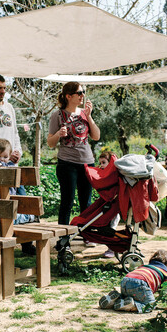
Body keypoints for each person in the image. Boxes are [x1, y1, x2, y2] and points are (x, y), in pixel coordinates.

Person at [47, 82, 100, 228]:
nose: (83, 95)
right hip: (67, 163)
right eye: (79, 93)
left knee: (86, 203)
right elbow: (50, 143)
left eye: (83, 92)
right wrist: (58, 134)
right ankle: (63, 240)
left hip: (87, 163)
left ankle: (86, 235)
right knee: (67, 201)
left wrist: (89, 117)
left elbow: (96, 136)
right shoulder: (57, 115)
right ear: (69, 96)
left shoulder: (84, 113)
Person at [0, 138, 37, 228]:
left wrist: (2, 165)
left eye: (5, 157)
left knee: (8, 220)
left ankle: (29, 217)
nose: (2, 159)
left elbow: (8, 166)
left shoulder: (11, 166)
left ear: (9, 156)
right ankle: (26, 217)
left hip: (10, 202)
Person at [99, 249, 167, 313]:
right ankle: (132, 305)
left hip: (126, 279)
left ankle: (115, 300)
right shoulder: (166, 273)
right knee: (150, 305)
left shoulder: (144, 267)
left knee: (132, 295)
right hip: (141, 283)